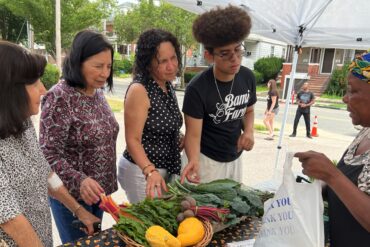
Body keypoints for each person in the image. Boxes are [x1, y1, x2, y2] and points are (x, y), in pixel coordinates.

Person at [0, 41, 100, 247]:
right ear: (9, 90)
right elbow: (9, 217)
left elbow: (46, 174)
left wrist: (79, 211)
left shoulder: (22, 123)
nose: (44, 90)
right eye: (34, 83)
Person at [39, 30, 119, 243]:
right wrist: (80, 180)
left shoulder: (97, 92)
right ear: (78, 62)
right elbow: (47, 154)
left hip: (98, 195)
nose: (105, 73)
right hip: (72, 196)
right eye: (98, 66)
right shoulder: (59, 96)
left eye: (108, 66)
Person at [295, 51, 370, 246]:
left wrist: (332, 175)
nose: (345, 98)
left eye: (353, 91)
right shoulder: (365, 132)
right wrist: (318, 187)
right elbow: (351, 187)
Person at [181, 5, 256, 184]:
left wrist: (250, 132)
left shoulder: (247, 77)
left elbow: (249, 111)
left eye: (238, 50)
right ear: (209, 55)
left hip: (235, 157)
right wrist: (193, 161)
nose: (235, 58)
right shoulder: (197, 88)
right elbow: (192, 134)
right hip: (206, 161)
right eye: (225, 54)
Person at [117, 29, 184, 203]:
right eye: (163, 61)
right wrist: (150, 171)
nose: (171, 66)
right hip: (141, 172)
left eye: (173, 58)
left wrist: (179, 137)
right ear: (148, 64)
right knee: (150, 228)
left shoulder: (166, 85)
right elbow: (132, 140)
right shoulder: (140, 89)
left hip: (162, 170)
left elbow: (161, 124)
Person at [263, 75, 279, 140]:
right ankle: (272, 133)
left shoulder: (273, 92)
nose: (268, 84)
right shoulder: (270, 92)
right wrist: (266, 109)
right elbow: (269, 102)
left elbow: (273, 102)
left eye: (269, 83)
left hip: (274, 109)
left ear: (272, 84)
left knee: (265, 121)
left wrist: (270, 111)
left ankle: (271, 133)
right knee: (270, 121)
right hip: (271, 108)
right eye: (268, 83)